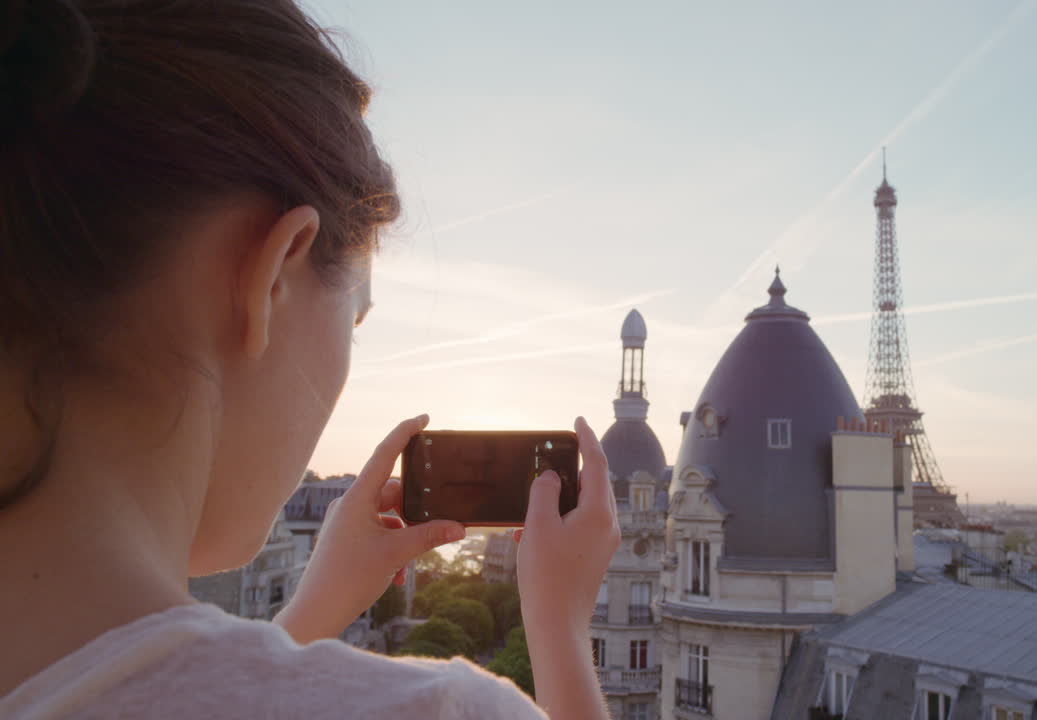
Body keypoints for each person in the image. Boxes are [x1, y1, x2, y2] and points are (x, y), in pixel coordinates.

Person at [0, 1, 619, 718]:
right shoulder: (436, 710)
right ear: (270, 277)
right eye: (356, 316)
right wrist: (560, 628)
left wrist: (312, 609)